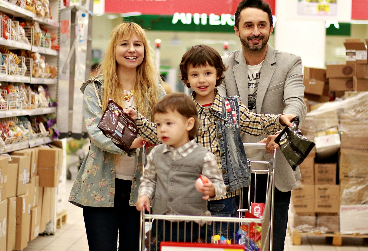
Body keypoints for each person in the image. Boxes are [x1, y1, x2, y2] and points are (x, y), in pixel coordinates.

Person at [126, 45, 296, 226]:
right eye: (194, 74)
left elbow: (255, 122)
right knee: (191, 240)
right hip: (189, 196)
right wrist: (138, 120)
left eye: (207, 73)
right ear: (186, 78)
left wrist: (279, 119)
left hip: (226, 194)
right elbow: (160, 132)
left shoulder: (231, 107)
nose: (202, 80)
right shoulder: (182, 110)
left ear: (218, 75)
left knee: (221, 241)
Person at [217, 0, 307, 251]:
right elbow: (223, 110)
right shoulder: (221, 66)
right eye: (248, 25)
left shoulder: (290, 62)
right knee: (232, 243)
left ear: (270, 27)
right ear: (236, 29)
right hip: (232, 171)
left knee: (271, 241)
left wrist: (282, 131)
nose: (255, 32)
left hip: (275, 165)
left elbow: (296, 103)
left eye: (261, 25)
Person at [69, 22, 166, 251]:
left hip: (141, 187)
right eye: (124, 44)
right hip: (99, 185)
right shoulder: (96, 89)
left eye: (137, 44)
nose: (131, 49)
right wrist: (135, 142)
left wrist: (154, 135)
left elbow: (166, 128)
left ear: (145, 51)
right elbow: (96, 131)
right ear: (113, 49)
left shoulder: (155, 90)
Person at [135, 92, 226, 249]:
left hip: (194, 227)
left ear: (189, 124)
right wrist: (144, 195)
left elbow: (220, 186)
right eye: (158, 124)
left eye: (169, 123)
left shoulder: (204, 156)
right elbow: (149, 179)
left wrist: (212, 189)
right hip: (161, 223)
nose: (162, 129)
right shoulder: (156, 153)